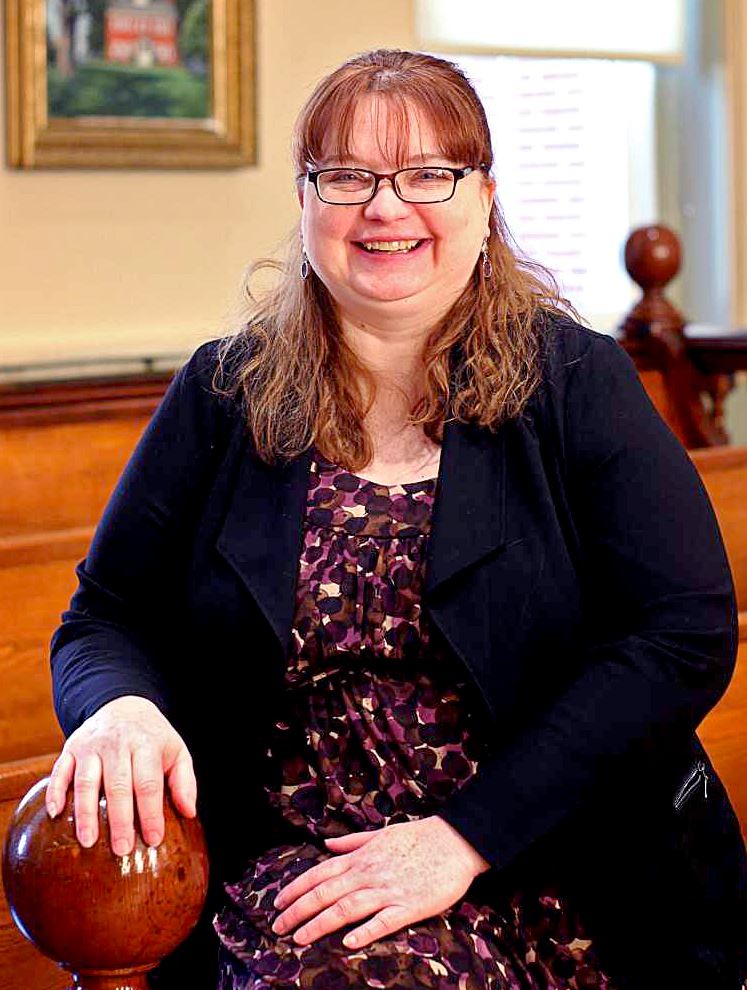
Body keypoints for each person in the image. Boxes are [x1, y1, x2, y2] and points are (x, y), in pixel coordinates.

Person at [46, 49, 747, 990]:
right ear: (305, 201)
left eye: (429, 175)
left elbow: (680, 635)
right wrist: (118, 707)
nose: (386, 207)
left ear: (484, 197)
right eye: (347, 177)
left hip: (542, 858)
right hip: (290, 875)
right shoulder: (224, 392)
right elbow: (106, 615)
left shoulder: (575, 382)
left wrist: (464, 838)